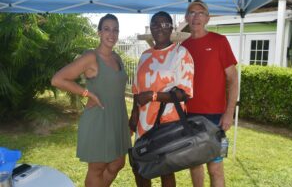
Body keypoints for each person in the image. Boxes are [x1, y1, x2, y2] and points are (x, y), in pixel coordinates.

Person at [51, 14, 131, 187]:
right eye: (107, 29)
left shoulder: (117, 57)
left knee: (118, 163)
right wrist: (87, 94)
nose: (112, 33)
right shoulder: (91, 58)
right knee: (97, 168)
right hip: (99, 120)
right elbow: (58, 79)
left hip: (117, 119)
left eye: (115, 29)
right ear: (99, 33)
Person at [129, 11, 194, 187]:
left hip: (167, 123)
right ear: (151, 28)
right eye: (155, 24)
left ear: (171, 28)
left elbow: (184, 93)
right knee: (141, 168)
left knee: (166, 170)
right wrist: (133, 117)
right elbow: (137, 90)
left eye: (165, 24)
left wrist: (153, 96)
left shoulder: (181, 54)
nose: (160, 28)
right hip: (143, 124)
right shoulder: (145, 55)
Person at [181, 0, 238, 187]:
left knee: (215, 168)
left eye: (200, 13)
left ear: (207, 18)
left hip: (216, 117)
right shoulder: (182, 47)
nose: (196, 16)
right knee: (195, 166)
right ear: (186, 17)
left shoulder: (219, 41)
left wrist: (229, 113)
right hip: (190, 116)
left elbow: (232, 79)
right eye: (192, 12)